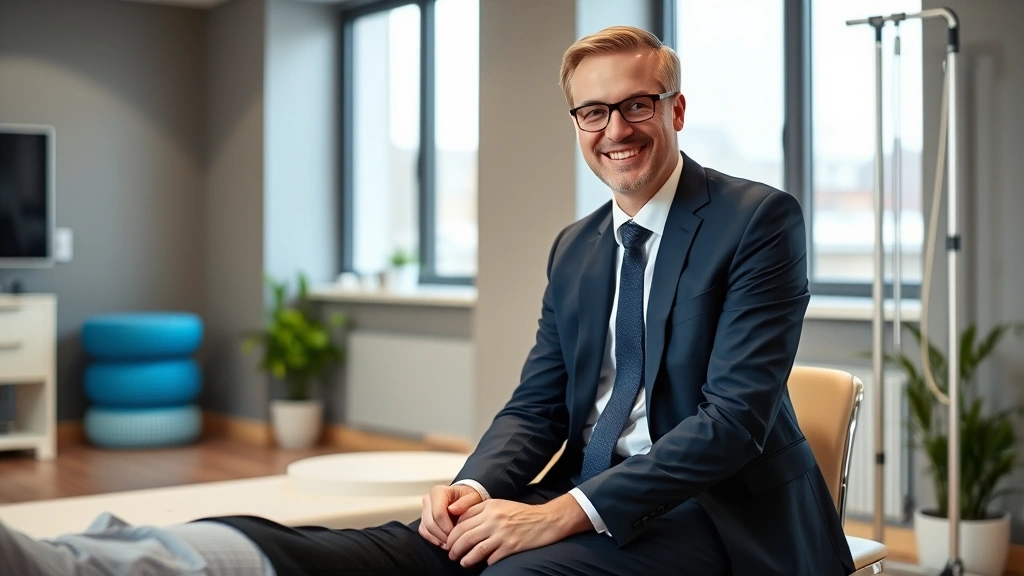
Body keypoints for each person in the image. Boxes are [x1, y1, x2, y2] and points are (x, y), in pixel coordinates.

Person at [0, 25, 855, 576]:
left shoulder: (757, 220)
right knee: (376, 551)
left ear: (675, 108)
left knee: (507, 574)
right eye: (592, 112)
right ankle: (87, 561)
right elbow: (536, 405)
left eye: (636, 105)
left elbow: (733, 419)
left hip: (717, 518)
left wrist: (559, 515)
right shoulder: (579, 247)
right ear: (576, 124)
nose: (616, 130)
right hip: (587, 491)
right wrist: (472, 488)